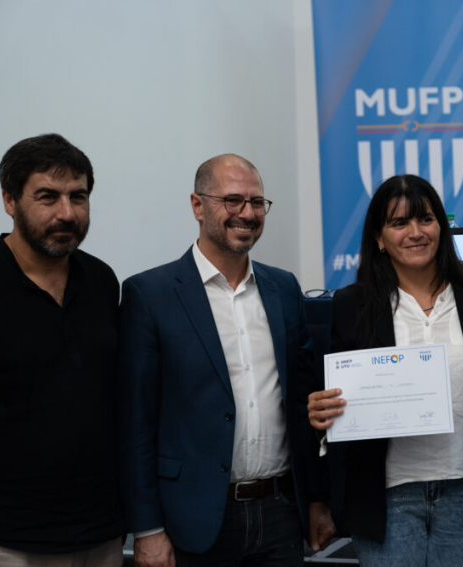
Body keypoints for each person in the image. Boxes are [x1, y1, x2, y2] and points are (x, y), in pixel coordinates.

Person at [118, 154, 334, 567]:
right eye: (232, 200)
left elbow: (300, 402)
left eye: (257, 202)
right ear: (197, 206)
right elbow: (135, 423)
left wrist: (317, 499)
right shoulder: (150, 295)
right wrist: (146, 528)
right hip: (192, 519)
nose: (247, 214)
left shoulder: (284, 288)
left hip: (280, 513)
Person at [307, 174, 463, 567]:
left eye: (426, 219)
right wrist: (323, 411)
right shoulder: (352, 304)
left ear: (441, 228)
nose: (416, 232)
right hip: (386, 494)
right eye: (399, 223)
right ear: (379, 238)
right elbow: (339, 394)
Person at [0, 134, 124, 566]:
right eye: (47, 197)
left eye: (78, 197)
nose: (66, 213)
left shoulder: (101, 281)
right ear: (10, 200)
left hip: (103, 533)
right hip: (11, 541)